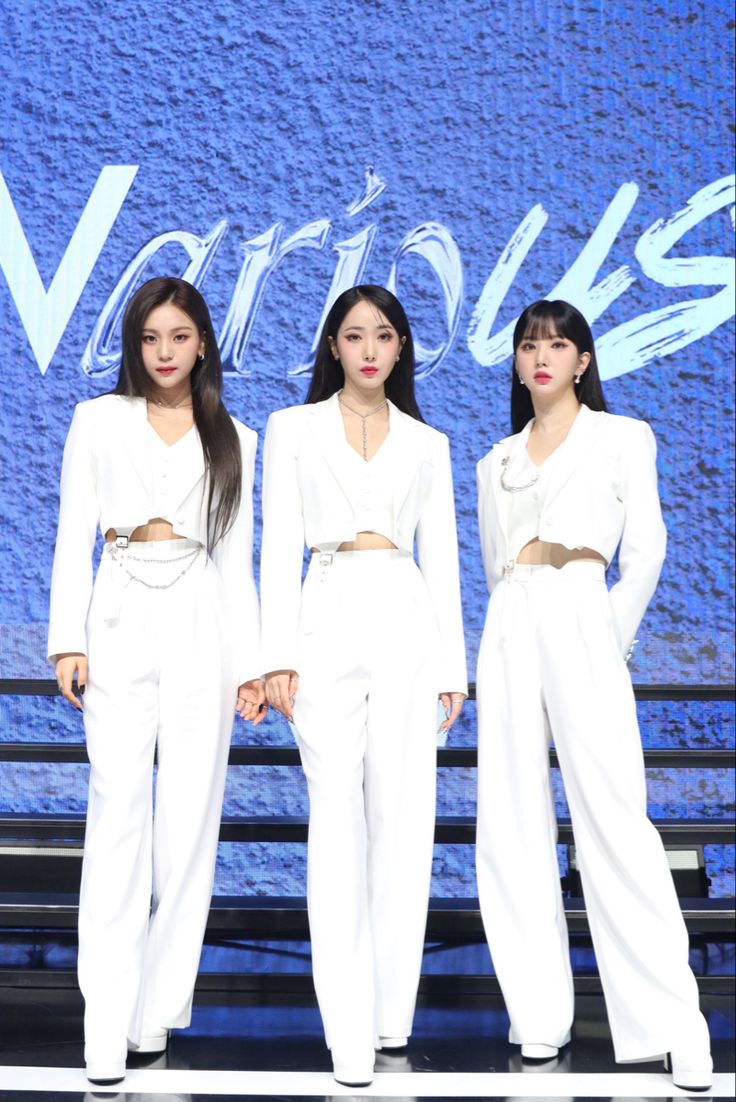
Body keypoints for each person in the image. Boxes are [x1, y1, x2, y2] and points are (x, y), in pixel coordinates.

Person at [475, 299, 712, 1090]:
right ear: (516, 362)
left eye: (559, 344)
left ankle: (678, 1025)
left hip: (584, 610)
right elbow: (491, 564)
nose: (543, 356)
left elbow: (645, 549)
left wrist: (603, 638)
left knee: (613, 817)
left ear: (583, 360)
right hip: (512, 617)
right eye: (529, 346)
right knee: (510, 818)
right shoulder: (496, 458)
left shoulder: (622, 437)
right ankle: (537, 1015)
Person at [48, 277, 264, 1086]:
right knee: (116, 819)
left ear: (202, 342)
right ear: (134, 346)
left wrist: (250, 665)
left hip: (203, 621)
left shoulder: (235, 437)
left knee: (188, 828)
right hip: (118, 614)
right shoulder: (97, 421)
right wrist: (65, 638)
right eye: (150, 338)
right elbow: (74, 534)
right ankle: (104, 1022)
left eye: (179, 337)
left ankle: (153, 1010)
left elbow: (237, 566)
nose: (165, 352)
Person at [260, 285, 467, 1087]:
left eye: (384, 335)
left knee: (405, 820)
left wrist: (453, 666)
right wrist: (272, 653)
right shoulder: (293, 428)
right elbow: (276, 545)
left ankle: (390, 1017)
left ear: (403, 347)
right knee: (335, 818)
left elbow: (443, 559)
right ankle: (345, 1022)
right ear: (333, 348)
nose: (370, 349)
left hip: (407, 616)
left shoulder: (428, 442)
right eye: (355, 336)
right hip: (325, 612)